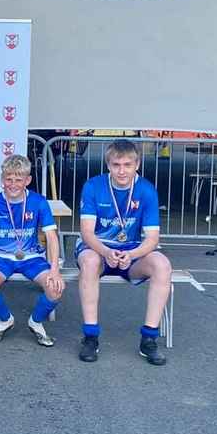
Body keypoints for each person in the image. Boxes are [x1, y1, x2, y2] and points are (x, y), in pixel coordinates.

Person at [76, 139, 172, 366]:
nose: (122, 170)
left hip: (131, 250)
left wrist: (132, 254)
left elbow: (152, 239)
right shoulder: (93, 186)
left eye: (127, 165)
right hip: (98, 247)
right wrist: (106, 251)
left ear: (137, 164)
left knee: (162, 264)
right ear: (108, 165)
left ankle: (148, 339)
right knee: (89, 261)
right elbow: (87, 233)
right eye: (116, 164)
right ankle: (91, 336)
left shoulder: (146, 190)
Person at [0, 155, 64, 346]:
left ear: (28, 180)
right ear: (2, 180)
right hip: (3, 256)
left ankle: (35, 322)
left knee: (56, 287)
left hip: (32, 257)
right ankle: (5, 319)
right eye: (9, 179)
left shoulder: (39, 201)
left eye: (19, 179)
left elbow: (51, 236)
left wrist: (54, 270)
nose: (13, 184)